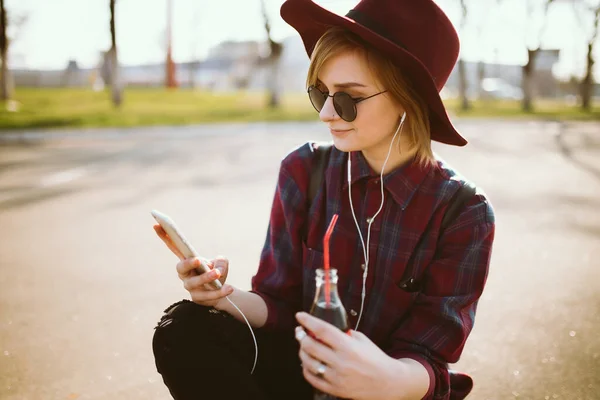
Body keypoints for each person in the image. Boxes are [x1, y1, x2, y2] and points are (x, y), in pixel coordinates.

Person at [151, 0, 496, 399]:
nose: (327, 113)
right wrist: (223, 297)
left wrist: (380, 378)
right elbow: (279, 307)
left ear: (408, 97)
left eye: (348, 98)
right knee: (186, 328)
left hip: (387, 388)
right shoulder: (304, 169)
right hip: (299, 369)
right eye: (320, 94)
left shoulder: (463, 210)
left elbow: (429, 355)